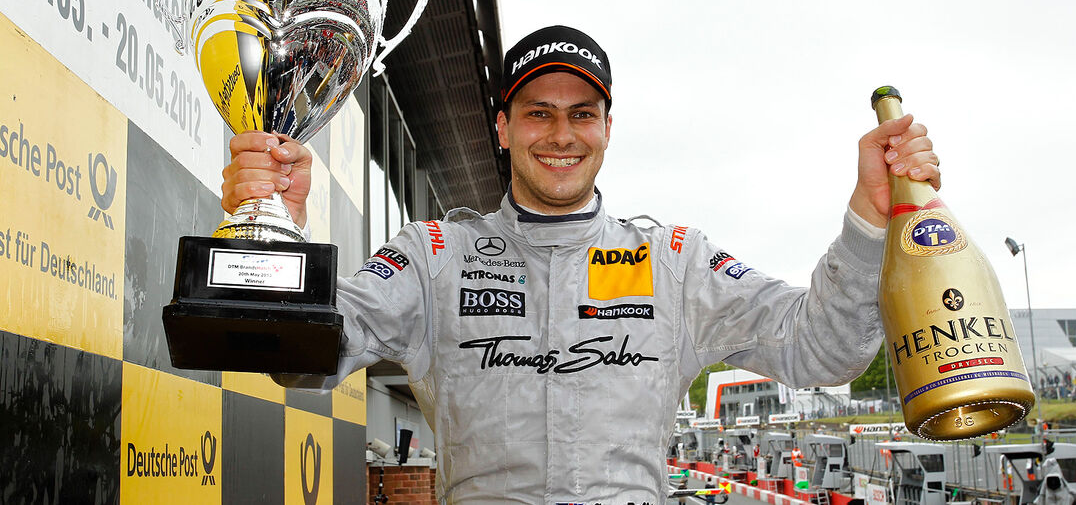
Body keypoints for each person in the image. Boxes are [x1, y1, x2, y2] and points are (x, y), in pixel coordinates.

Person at [221, 25, 941, 504]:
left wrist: (867, 220)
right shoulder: (434, 254)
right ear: (502, 128)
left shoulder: (675, 260)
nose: (561, 133)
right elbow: (304, 358)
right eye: (538, 112)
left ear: (606, 129)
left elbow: (827, 347)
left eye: (582, 112)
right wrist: (278, 230)